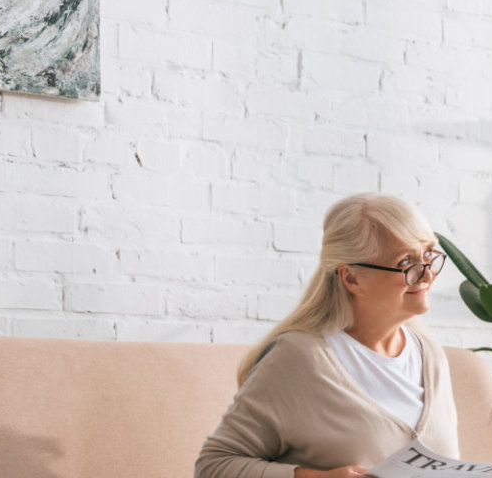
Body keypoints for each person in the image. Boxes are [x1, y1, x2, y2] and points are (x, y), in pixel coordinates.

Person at [196, 193, 459, 478]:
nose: (427, 275)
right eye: (406, 261)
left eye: (429, 254)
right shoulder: (299, 358)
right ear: (352, 278)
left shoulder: (429, 355)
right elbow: (214, 466)